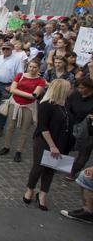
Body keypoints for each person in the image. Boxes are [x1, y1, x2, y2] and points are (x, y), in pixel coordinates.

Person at [24, 79, 73, 211]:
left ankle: (43, 194)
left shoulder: (66, 104)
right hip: (45, 141)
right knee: (38, 167)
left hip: (61, 141)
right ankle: (30, 189)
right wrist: (52, 145)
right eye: (68, 88)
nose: (71, 90)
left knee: (51, 168)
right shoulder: (46, 104)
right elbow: (43, 127)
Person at [0, 60, 46, 162]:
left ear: (38, 69)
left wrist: (18, 92)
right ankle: (6, 146)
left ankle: (19, 151)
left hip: (28, 107)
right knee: (10, 127)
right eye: (30, 67)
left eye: (35, 67)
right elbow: (12, 90)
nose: (32, 69)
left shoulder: (41, 80)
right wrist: (30, 95)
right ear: (27, 67)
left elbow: (35, 95)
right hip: (14, 103)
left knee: (24, 130)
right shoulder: (20, 75)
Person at [0, 42, 24, 138]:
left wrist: (13, 85)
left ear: (12, 49)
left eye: (7, 49)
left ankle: (0, 127)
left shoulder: (17, 60)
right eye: (3, 48)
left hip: (7, 85)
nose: (5, 50)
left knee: (3, 107)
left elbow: (19, 74)